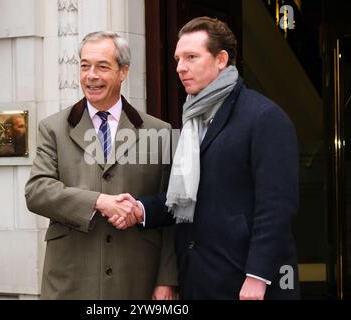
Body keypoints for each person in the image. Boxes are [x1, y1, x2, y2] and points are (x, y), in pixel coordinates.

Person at [112, 17, 300, 300]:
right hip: (199, 280)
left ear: (221, 59)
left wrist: (257, 276)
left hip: (247, 284)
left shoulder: (264, 117)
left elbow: (276, 206)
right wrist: (140, 209)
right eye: (178, 59)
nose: (180, 68)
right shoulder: (193, 121)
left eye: (191, 57)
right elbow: (188, 197)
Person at [24, 31, 177, 299]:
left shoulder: (159, 131)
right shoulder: (53, 128)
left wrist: (166, 280)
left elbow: (170, 208)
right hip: (70, 280)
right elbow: (37, 191)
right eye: (85, 66)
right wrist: (98, 201)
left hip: (136, 279)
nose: (91, 75)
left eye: (102, 67)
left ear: (123, 71)